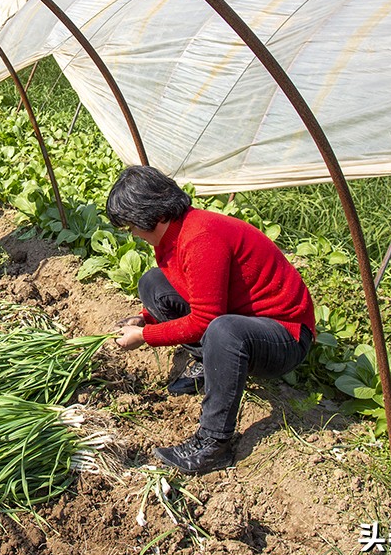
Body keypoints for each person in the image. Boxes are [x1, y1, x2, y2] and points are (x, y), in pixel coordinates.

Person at [106, 166, 315, 474]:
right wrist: (144, 318)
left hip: (285, 335)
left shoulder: (199, 238)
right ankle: (211, 362)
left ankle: (213, 444)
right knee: (153, 282)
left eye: (131, 226)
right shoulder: (173, 234)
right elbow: (186, 286)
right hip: (243, 318)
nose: (133, 233)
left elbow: (205, 320)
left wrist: (144, 337)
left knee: (222, 330)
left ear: (150, 216)